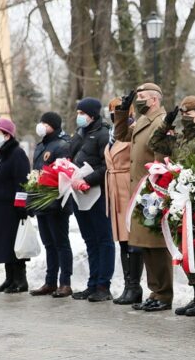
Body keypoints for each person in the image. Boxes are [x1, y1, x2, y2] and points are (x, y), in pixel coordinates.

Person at [149, 95, 195, 317]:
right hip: (180, 199)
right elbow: (154, 142)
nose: (185, 118)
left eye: (188, 114)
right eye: (182, 115)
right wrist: (166, 122)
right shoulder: (178, 139)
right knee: (184, 248)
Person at [115, 83, 173, 312]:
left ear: (154, 100)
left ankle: (164, 294)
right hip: (140, 192)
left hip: (153, 190)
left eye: (141, 97)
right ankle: (155, 291)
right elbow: (121, 135)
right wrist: (122, 111)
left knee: (156, 245)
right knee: (145, 246)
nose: (138, 100)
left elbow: (162, 159)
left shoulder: (161, 122)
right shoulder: (143, 120)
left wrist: (158, 189)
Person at [68, 97, 116, 302]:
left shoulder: (103, 135)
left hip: (97, 194)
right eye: (78, 113)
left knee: (103, 240)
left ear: (93, 114)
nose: (79, 117)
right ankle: (92, 283)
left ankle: (103, 285)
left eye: (82, 113)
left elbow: (107, 167)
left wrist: (87, 179)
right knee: (90, 241)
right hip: (79, 195)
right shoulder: (80, 134)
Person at [29, 112, 74, 298]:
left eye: (45, 123)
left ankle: (65, 283)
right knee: (49, 244)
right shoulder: (41, 146)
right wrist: (31, 200)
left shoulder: (63, 145)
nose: (41, 126)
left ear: (53, 126)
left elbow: (63, 174)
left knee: (61, 243)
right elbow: (35, 174)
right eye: (41, 122)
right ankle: (50, 281)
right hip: (41, 201)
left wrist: (54, 199)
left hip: (57, 202)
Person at [0, 118, 31, 293]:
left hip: (11, 208)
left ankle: (20, 280)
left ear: (7, 135)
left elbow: (22, 180)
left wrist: (21, 204)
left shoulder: (16, 154)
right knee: (4, 244)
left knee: (13, 244)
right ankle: (9, 278)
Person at [106, 96, 144, 305]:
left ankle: (134, 286)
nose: (114, 113)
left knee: (132, 240)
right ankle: (128, 285)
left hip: (128, 188)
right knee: (122, 241)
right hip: (114, 190)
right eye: (112, 109)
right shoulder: (111, 133)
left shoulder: (133, 129)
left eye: (118, 109)